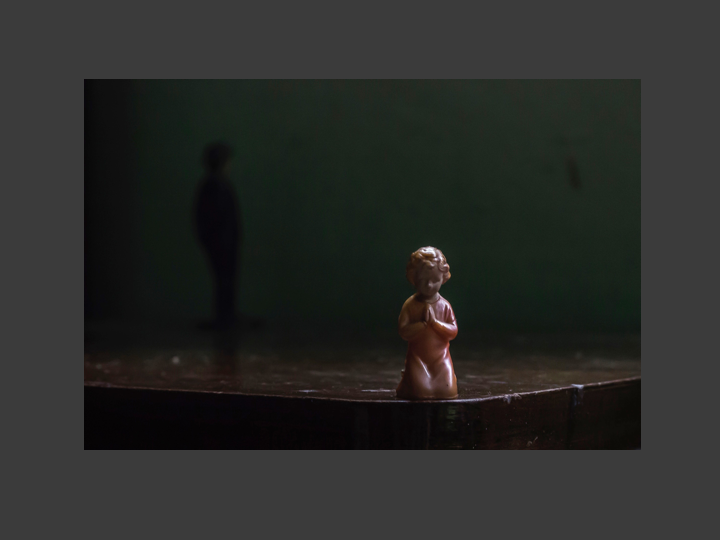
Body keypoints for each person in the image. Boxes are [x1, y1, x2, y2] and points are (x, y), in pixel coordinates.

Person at [396, 247, 458, 399]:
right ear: (413, 278)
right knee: (420, 391)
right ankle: (408, 381)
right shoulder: (410, 305)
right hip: (418, 359)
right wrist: (422, 325)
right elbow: (403, 331)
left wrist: (435, 324)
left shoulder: (444, 305)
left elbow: (453, 331)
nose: (429, 285)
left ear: (443, 278)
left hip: (441, 358)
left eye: (435, 280)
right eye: (423, 280)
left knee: (448, 390)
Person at [194, 142, 242, 329]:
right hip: (222, 245)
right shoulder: (216, 186)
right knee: (224, 280)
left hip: (222, 244)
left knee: (224, 281)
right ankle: (225, 318)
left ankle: (226, 317)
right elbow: (217, 219)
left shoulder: (213, 185)